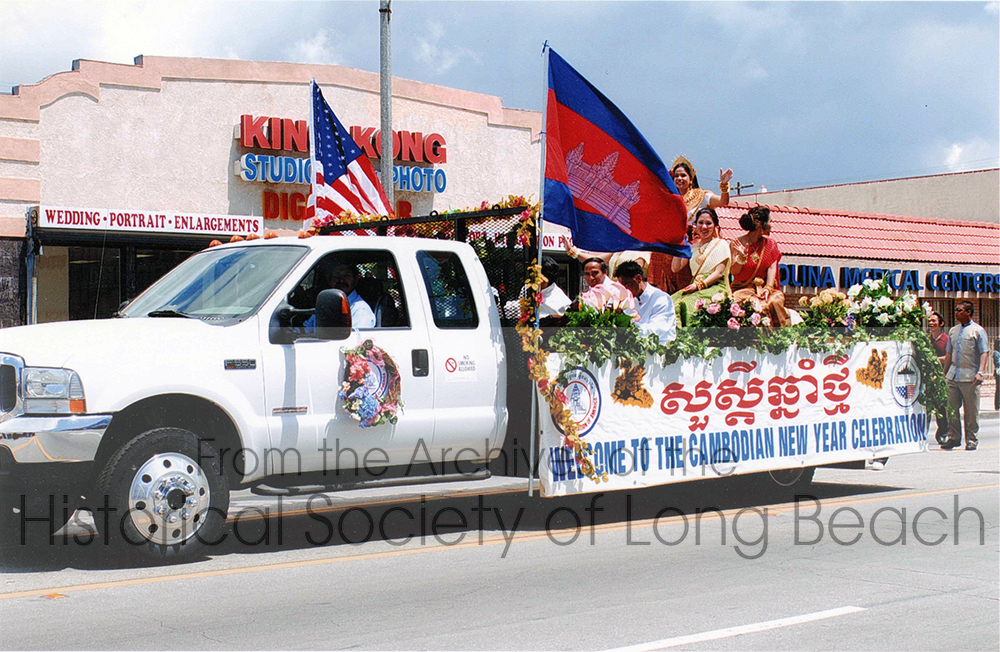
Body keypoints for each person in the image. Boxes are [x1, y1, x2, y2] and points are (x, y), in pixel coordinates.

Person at [729, 206, 790, 326]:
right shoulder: (737, 243)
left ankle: (785, 338)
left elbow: (772, 268)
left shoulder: (770, 244)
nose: (772, 225)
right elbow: (734, 272)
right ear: (761, 224)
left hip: (763, 289)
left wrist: (768, 288)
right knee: (757, 305)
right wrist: (742, 257)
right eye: (770, 221)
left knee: (775, 301)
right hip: (742, 289)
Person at [670, 207, 731, 325]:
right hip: (696, 287)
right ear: (695, 226)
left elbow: (719, 273)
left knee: (687, 303)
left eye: (708, 223)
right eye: (700, 223)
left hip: (715, 287)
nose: (704, 227)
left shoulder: (721, 244)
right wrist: (680, 245)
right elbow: (675, 268)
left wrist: (699, 285)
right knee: (670, 301)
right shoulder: (693, 248)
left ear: (715, 226)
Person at [941, 301, 989, 451]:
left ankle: (972, 439)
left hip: (970, 377)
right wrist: (944, 374)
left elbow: (984, 352)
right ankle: (954, 438)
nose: (956, 312)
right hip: (953, 376)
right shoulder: (953, 331)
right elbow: (948, 354)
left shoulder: (977, 331)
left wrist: (980, 372)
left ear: (968, 312)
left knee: (971, 410)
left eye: (959, 310)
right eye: (955, 310)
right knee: (951, 409)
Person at [614, 260, 676, 343]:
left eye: (626, 284)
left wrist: (627, 325)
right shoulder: (626, 299)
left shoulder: (661, 298)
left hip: (660, 348)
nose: (624, 289)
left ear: (638, 278)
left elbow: (655, 330)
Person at [303, 260, 376, 330]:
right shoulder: (326, 304)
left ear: (355, 280)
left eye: (347, 275)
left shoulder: (360, 310)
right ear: (329, 279)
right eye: (336, 276)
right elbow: (307, 329)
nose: (341, 280)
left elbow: (355, 340)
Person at [927, 311, 950, 444]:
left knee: (941, 407)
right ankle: (922, 434)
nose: (931, 323)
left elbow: (948, 358)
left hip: (942, 377)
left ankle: (943, 432)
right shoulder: (926, 339)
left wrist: (933, 359)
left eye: (934, 321)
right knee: (927, 408)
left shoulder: (946, 339)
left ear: (941, 323)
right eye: (930, 321)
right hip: (928, 378)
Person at [993, 337, 1000, 411]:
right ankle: (997, 405)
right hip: (998, 373)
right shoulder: (996, 352)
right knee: (998, 389)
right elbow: (997, 362)